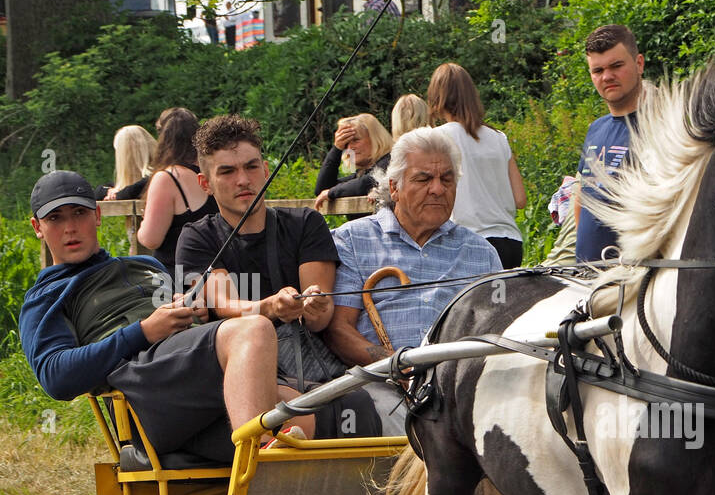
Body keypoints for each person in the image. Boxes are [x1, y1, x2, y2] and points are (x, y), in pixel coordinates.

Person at [19, 170, 310, 462]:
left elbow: (192, 330)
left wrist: (197, 314)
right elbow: (56, 377)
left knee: (309, 411)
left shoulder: (145, 264)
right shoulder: (46, 296)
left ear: (97, 215)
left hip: (193, 389)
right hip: (142, 397)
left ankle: (259, 488)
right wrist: (143, 332)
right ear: (37, 227)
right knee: (253, 328)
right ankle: (257, 457)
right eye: (55, 218)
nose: (70, 227)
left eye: (79, 213)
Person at [178, 115, 380, 438]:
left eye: (251, 166)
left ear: (266, 168)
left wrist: (313, 305)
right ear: (206, 183)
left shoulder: (305, 224)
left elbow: (321, 317)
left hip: (311, 370)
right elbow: (224, 302)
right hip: (236, 373)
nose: (243, 180)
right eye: (227, 171)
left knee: (357, 402)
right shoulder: (196, 238)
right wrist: (271, 307)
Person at [325, 127, 500, 430]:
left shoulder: (481, 253)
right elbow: (338, 330)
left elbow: (499, 334)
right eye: (423, 179)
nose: (437, 189)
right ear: (394, 187)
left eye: (447, 179)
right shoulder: (353, 240)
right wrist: (397, 364)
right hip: (381, 385)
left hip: (462, 391)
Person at [426, 62, 526, 268]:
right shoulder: (499, 137)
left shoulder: (437, 138)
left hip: (469, 243)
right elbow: (520, 199)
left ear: (438, 97)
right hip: (511, 243)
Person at [574, 24, 644, 265]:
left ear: (639, 64)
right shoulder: (596, 128)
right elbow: (582, 195)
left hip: (635, 275)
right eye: (598, 70)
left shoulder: (661, 125)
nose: (607, 76)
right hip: (586, 275)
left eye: (616, 66)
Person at [136, 107, 217, 272]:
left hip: (176, 277)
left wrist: (144, 221)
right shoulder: (213, 170)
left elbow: (151, 239)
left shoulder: (168, 178)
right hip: (216, 272)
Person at [313, 113, 393, 212]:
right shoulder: (360, 174)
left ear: (375, 138)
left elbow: (368, 182)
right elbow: (322, 189)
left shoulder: (391, 161)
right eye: (346, 144)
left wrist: (331, 193)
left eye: (355, 140)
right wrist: (337, 148)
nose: (350, 148)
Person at [96, 125, 155, 202]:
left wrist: (117, 195)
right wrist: (109, 191)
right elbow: (97, 192)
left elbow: (134, 190)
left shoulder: (154, 177)